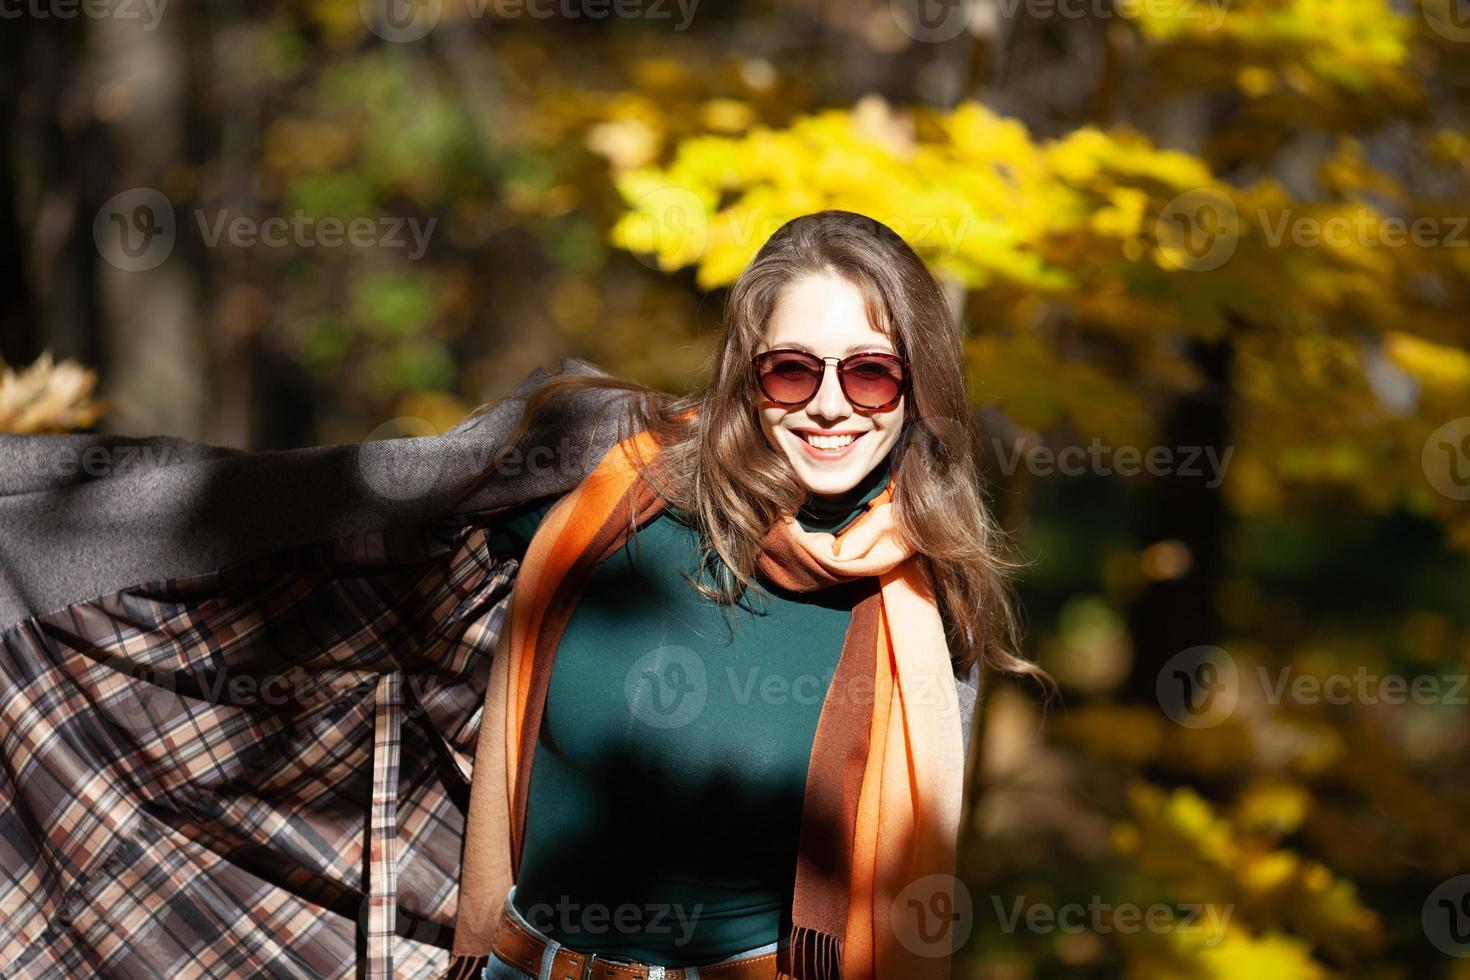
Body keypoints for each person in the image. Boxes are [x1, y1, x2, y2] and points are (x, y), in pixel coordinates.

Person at [443, 209, 1042, 980]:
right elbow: (392, 512)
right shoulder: (615, 486)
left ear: (914, 384)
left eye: (870, 372)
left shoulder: (923, 611)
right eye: (792, 369)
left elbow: (913, 906)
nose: (830, 405)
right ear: (747, 372)